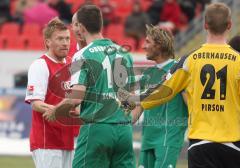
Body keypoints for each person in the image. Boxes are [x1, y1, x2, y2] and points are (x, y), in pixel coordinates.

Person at [133, 2, 240, 168]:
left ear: (204, 24)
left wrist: (139, 103)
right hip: (232, 142)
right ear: (229, 25)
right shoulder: (238, 61)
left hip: (200, 143)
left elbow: (164, 91)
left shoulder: (189, 60)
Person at [46, 5, 135, 168]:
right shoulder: (124, 52)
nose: (73, 28)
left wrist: (56, 110)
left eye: (74, 24)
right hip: (124, 130)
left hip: (97, 130)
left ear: (81, 27)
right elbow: (131, 98)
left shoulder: (83, 54)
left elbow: (76, 97)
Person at [133, 25, 187, 168]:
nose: (143, 46)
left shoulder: (179, 70)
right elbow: (139, 107)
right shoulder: (147, 74)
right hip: (148, 138)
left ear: (159, 45)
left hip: (168, 138)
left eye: (148, 42)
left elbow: (189, 102)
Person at [25, 17, 74, 168]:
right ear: (47, 42)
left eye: (67, 38)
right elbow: (36, 103)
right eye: (59, 39)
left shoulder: (74, 63)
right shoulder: (40, 65)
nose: (65, 43)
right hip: (47, 141)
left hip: (70, 140)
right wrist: (57, 110)